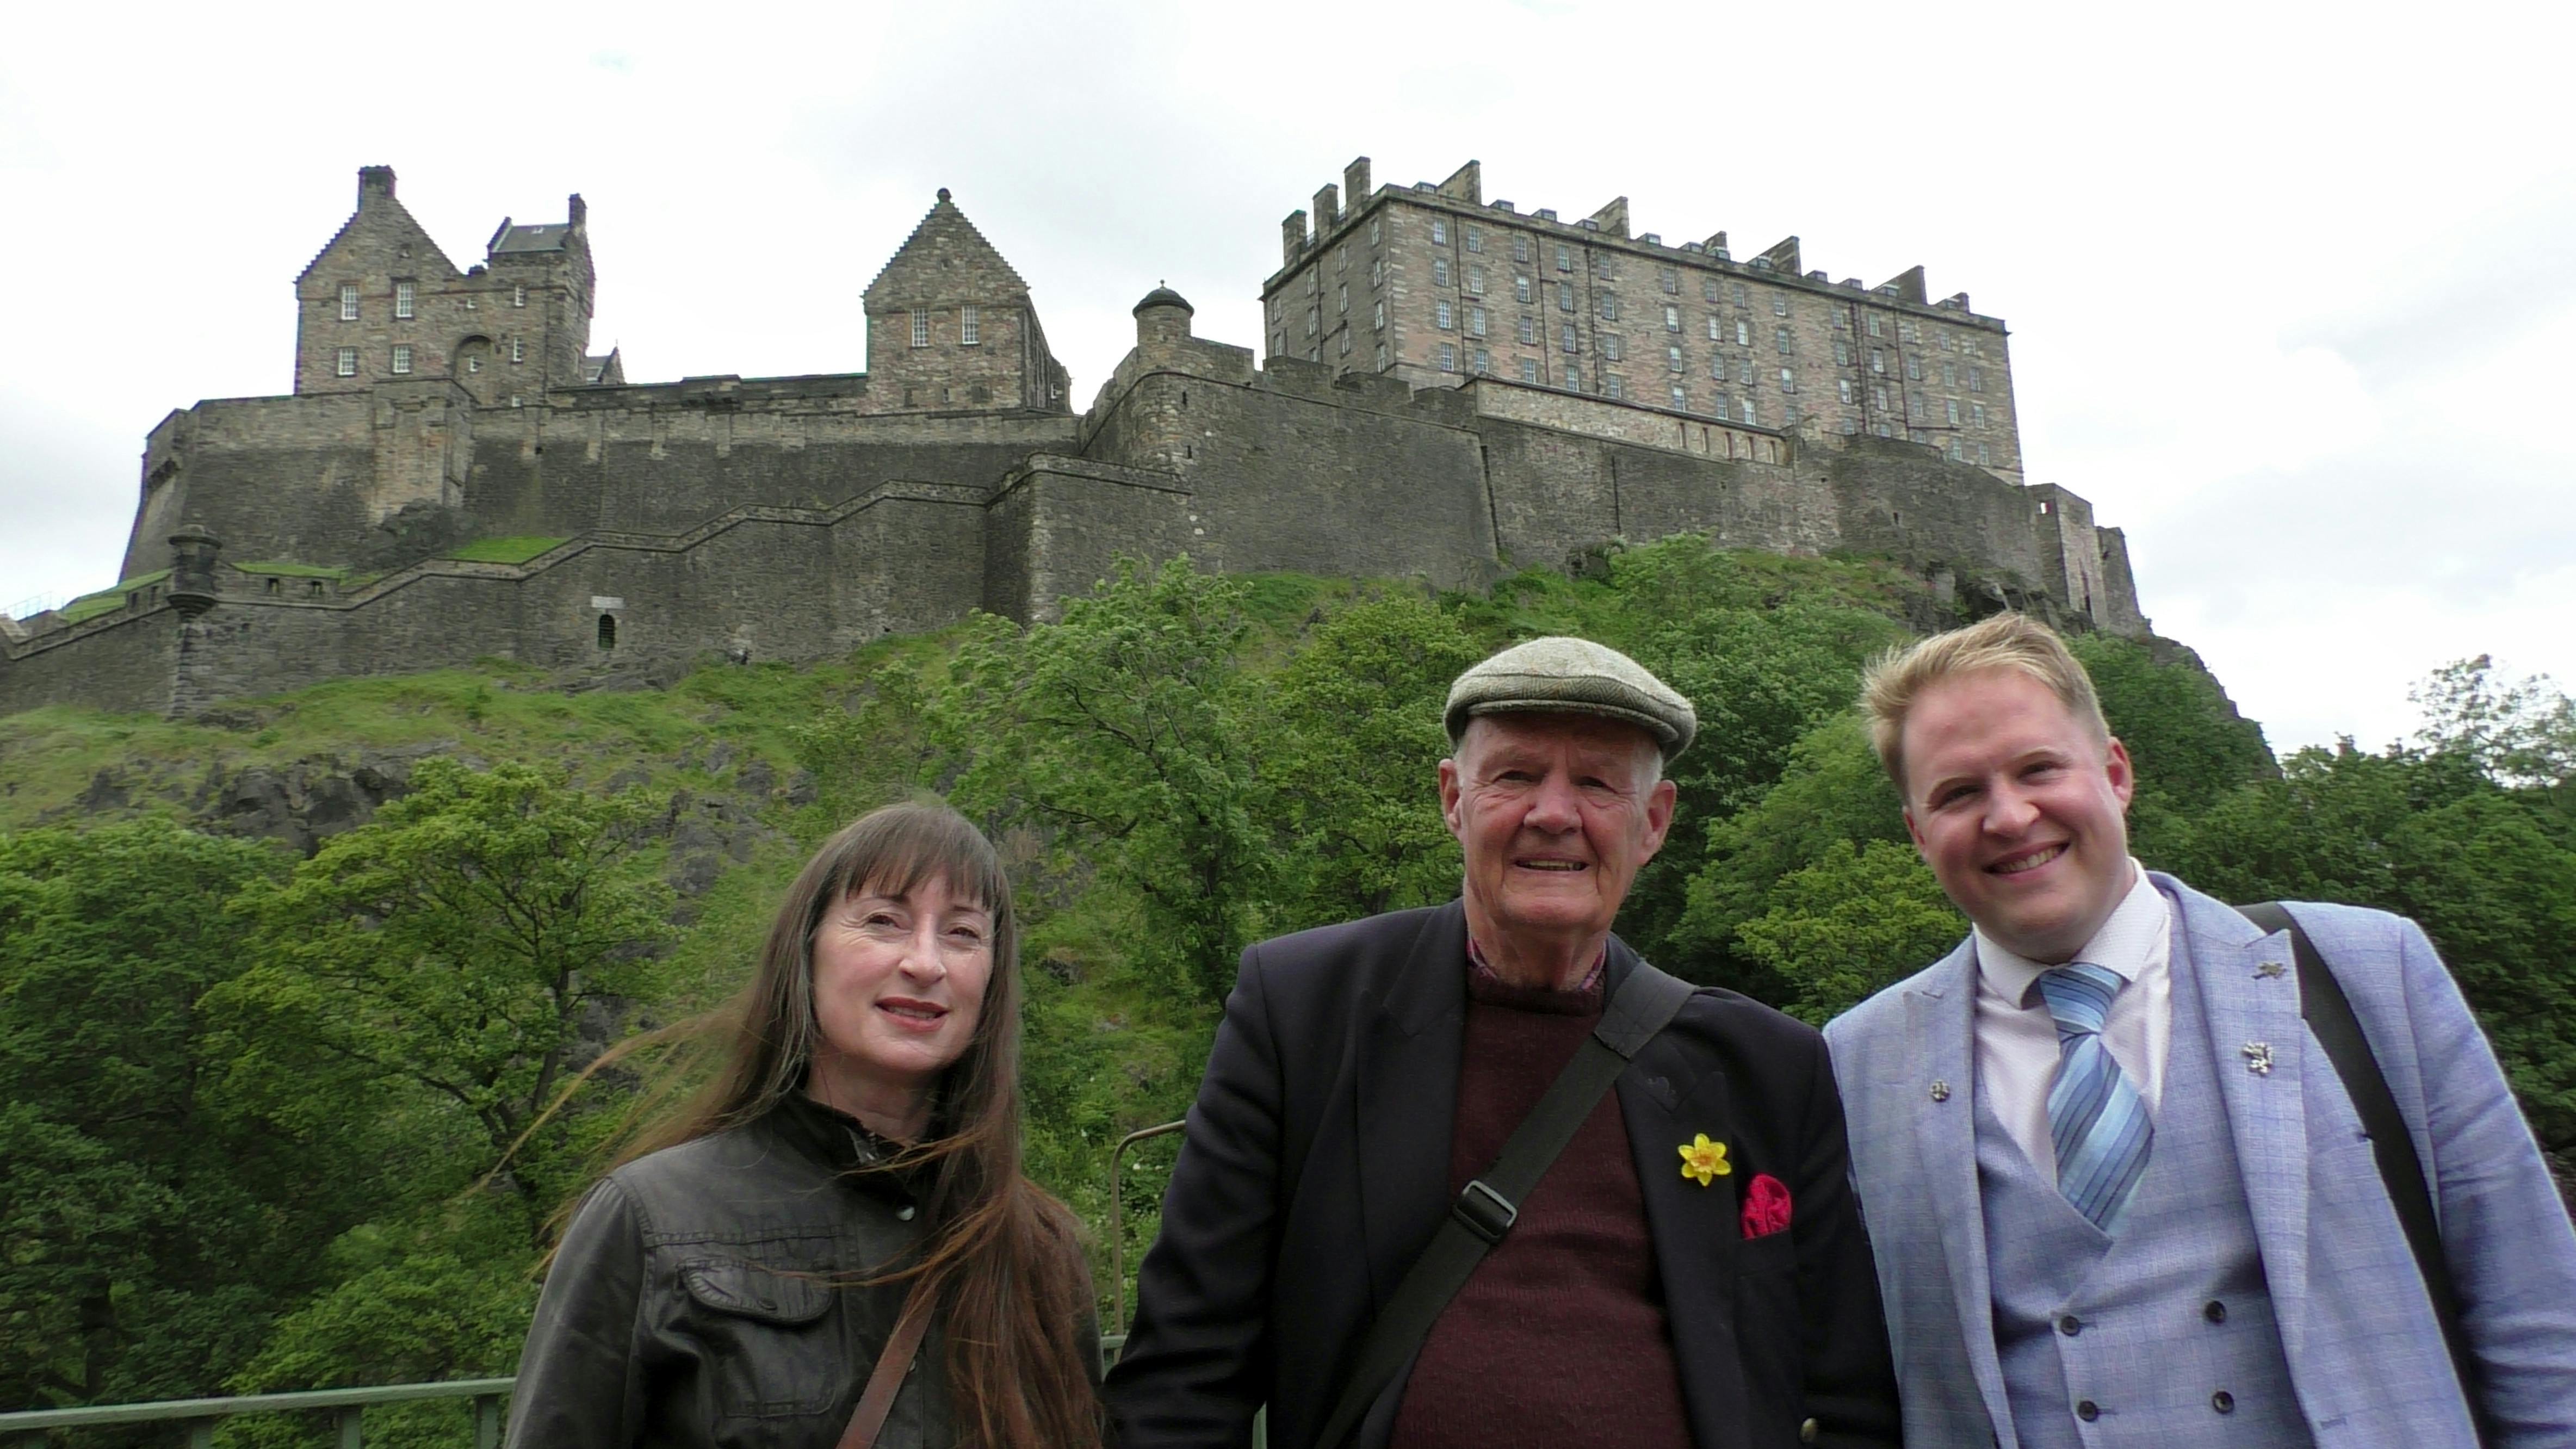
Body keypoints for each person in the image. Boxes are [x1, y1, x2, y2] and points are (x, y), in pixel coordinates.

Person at [1106, 637, 1901, 1449]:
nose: (1553, 814)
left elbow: (1849, 1396)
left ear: (1653, 821)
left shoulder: (1767, 1065)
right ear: (1454, 798)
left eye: (1596, 783)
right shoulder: (1304, 1012)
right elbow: (1184, 1375)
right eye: (1516, 775)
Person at [1825, 611, 2576, 1447]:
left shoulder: (2365, 968)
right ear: (1918, 832)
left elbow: (2542, 1326)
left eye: (2038, 768)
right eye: (1959, 793)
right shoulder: (1855, 1062)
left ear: (2116, 773)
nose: (2008, 816)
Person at [505, 802, 1100, 1449]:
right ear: (806, 950)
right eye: (884, 921)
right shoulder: (651, 1220)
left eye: (961, 933)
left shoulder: (1039, 1252)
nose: (926, 963)